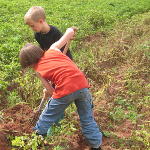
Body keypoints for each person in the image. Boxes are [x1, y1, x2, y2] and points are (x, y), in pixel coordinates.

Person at [19, 27, 102, 150]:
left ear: (31, 62)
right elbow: (68, 33)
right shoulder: (53, 49)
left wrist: (48, 91)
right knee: (87, 119)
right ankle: (96, 147)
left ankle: (35, 143)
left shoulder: (38, 70)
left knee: (45, 118)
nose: (31, 67)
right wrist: (70, 31)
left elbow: (52, 92)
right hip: (82, 85)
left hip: (65, 91)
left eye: (29, 65)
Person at [24, 5, 70, 133]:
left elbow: (62, 52)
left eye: (32, 26)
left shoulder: (55, 33)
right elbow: (43, 51)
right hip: (50, 64)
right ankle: (54, 121)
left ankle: (57, 122)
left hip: (62, 64)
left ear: (40, 21)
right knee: (53, 92)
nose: (32, 29)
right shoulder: (37, 35)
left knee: (58, 95)